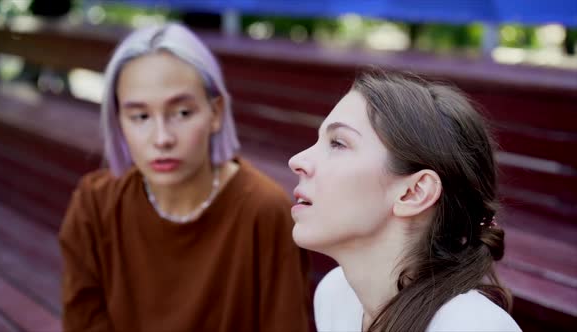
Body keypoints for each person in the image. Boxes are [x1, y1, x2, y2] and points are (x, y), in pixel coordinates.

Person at [59, 23, 310, 332]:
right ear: (119, 121)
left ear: (215, 113)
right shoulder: (94, 205)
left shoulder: (264, 210)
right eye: (140, 116)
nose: (162, 138)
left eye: (182, 113)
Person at [288, 71, 521, 332]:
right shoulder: (336, 297)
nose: (297, 161)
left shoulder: (471, 326)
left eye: (338, 143)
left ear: (414, 193)